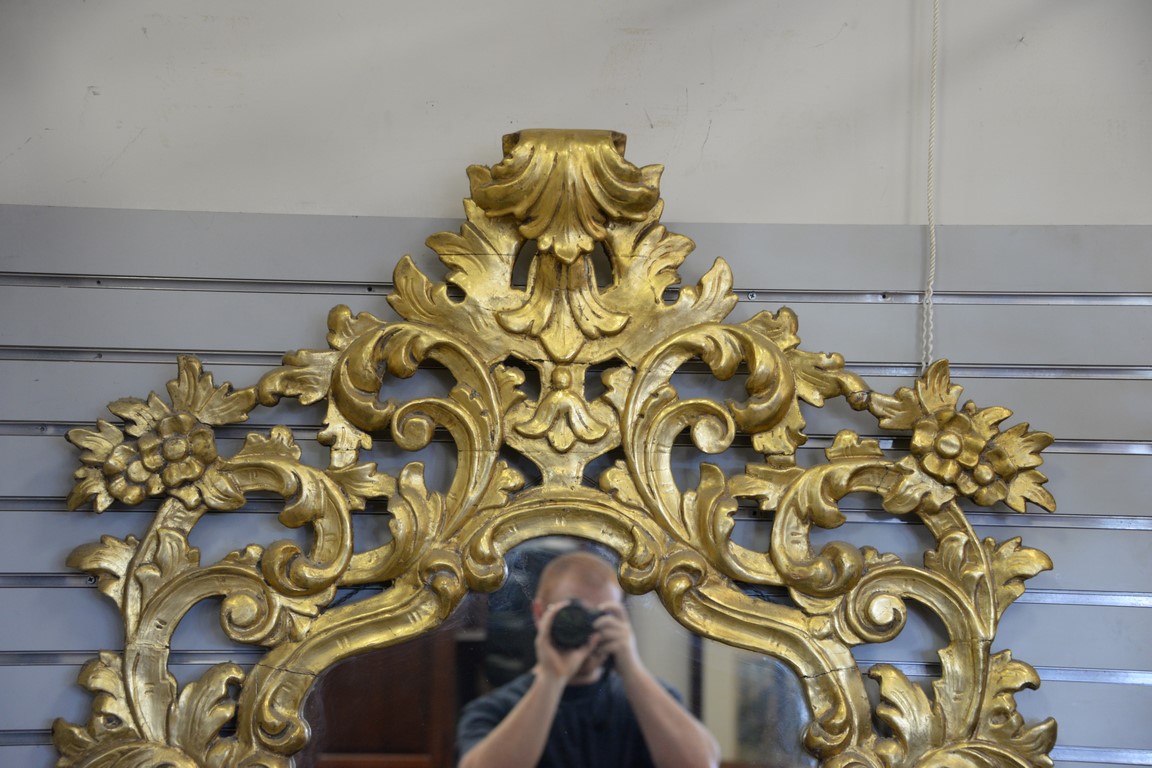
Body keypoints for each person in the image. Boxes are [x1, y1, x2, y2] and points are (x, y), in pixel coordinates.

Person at [456, 551, 721, 768]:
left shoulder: (649, 700)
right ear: (540, 614)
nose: (588, 630)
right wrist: (552, 677)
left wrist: (631, 666)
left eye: (601, 615)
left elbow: (702, 764)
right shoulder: (495, 709)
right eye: (573, 614)